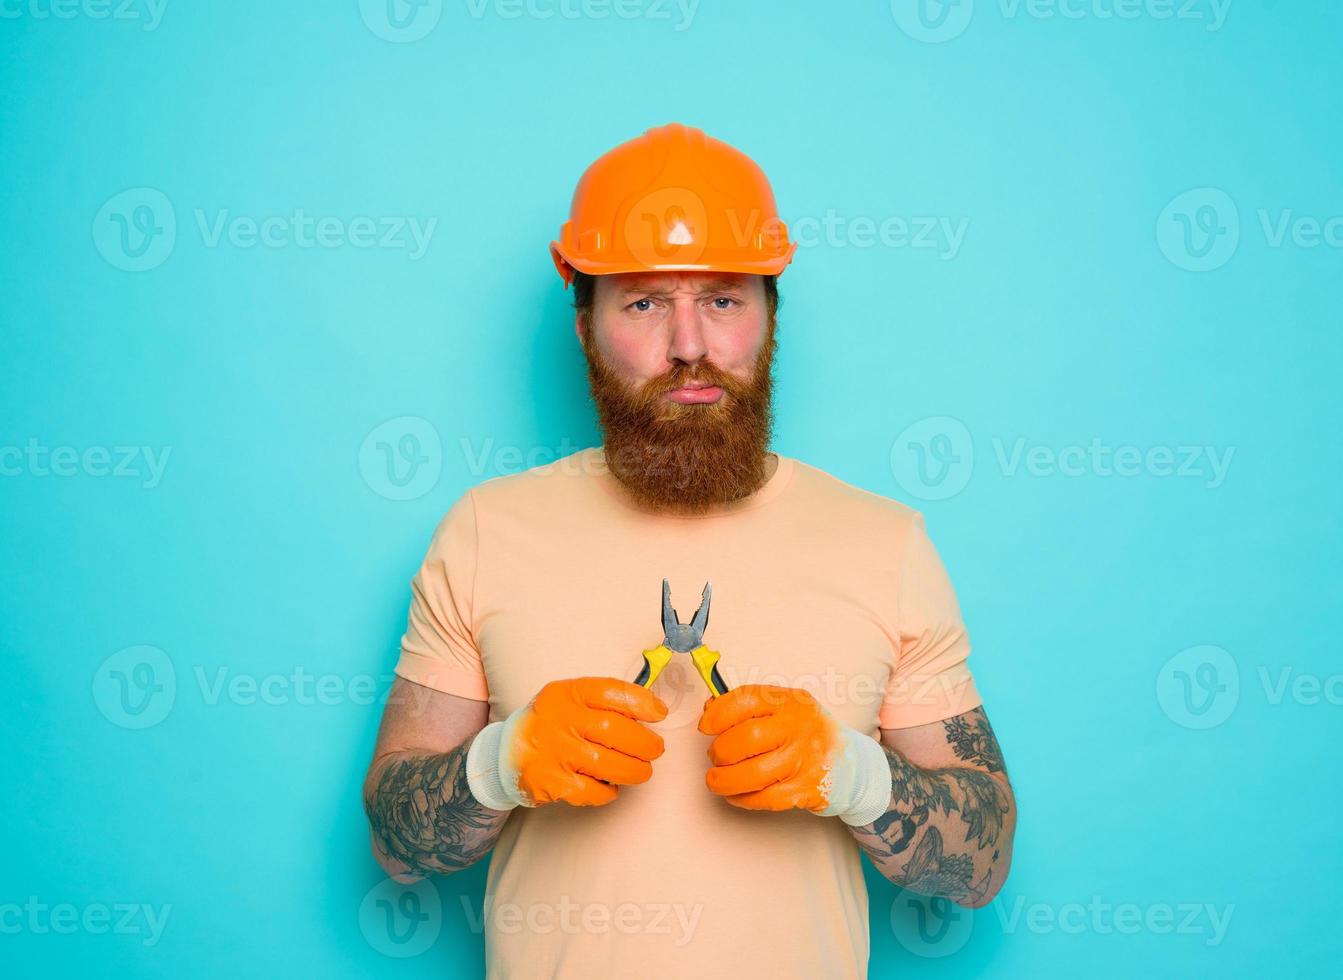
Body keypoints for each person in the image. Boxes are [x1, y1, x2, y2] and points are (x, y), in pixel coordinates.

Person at [363, 122, 1016, 978]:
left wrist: (857, 778)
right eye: (642, 302)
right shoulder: (487, 529)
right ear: (584, 324)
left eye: (722, 298)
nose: (689, 347)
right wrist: (498, 764)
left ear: (768, 316)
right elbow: (395, 847)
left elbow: (984, 863)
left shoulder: (882, 542)